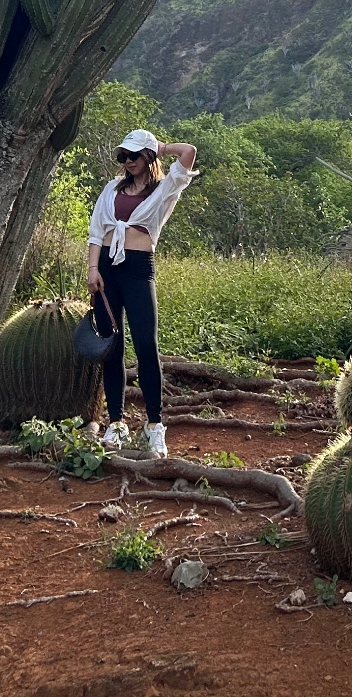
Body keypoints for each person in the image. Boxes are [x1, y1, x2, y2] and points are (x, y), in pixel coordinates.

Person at [85, 128, 197, 458]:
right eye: (124, 156)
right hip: (106, 267)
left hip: (138, 267)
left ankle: (154, 425)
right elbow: (95, 231)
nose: (128, 161)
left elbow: (188, 152)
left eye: (134, 155)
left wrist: (160, 146)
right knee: (111, 345)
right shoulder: (111, 188)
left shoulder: (164, 189)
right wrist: (93, 270)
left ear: (149, 157)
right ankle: (116, 422)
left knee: (146, 344)